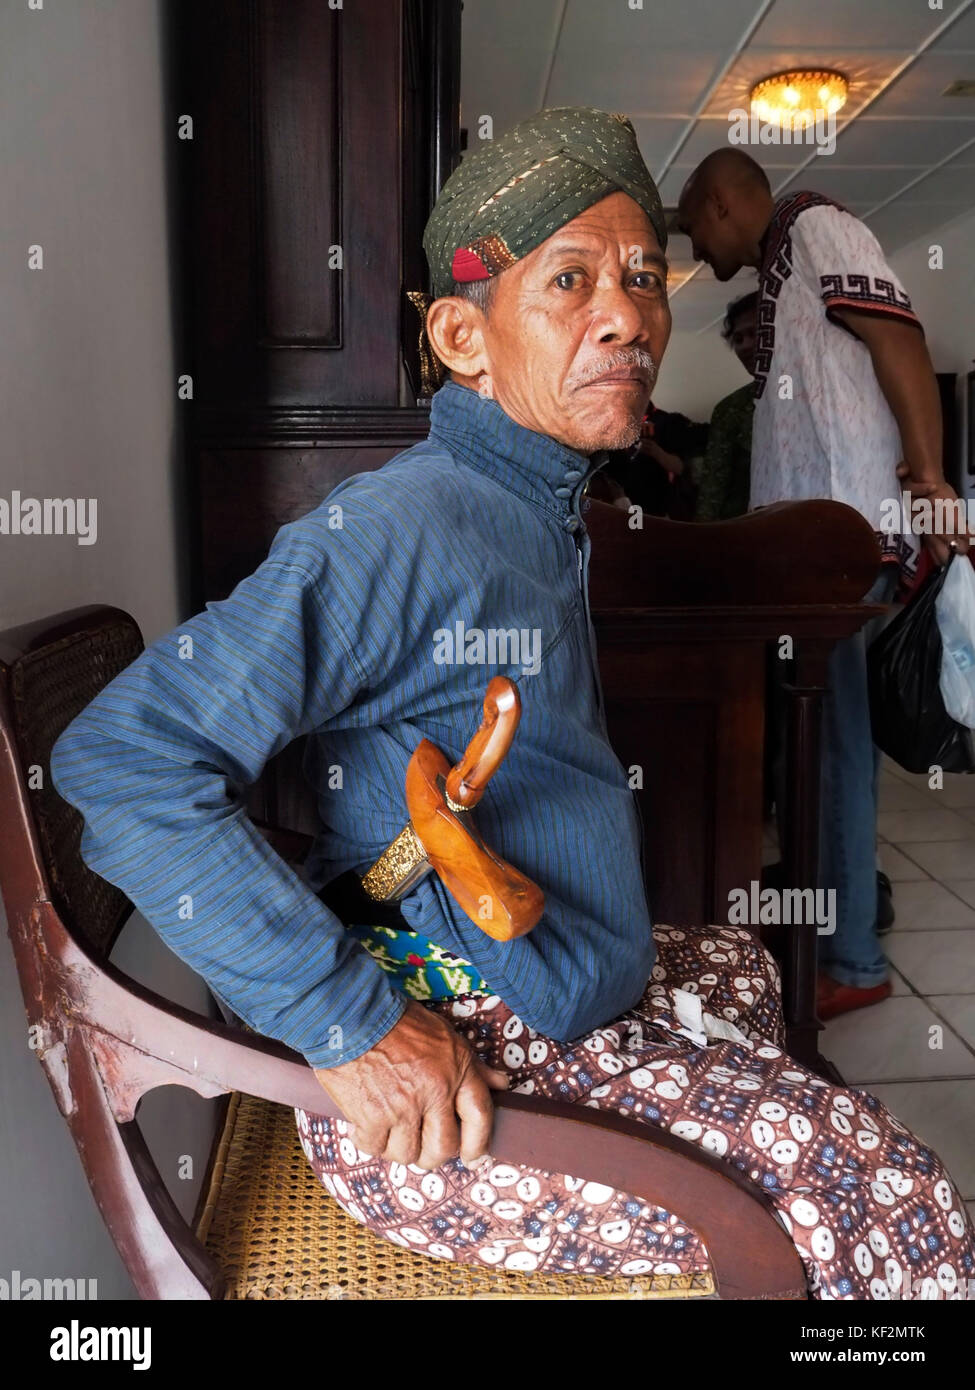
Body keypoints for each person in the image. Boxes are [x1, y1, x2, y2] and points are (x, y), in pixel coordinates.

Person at [50, 109, 974, 1298]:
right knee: (894, 1197)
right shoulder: (406, 525)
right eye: (573, 279)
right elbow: (119, 759)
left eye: (646, 278)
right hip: (451, 1101)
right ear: (462, 336)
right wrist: (354, 1026)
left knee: (742, 969)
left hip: (537, 1002)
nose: (631, 316)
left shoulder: (530, 503)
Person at [678, 149, 971, 1022]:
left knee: (835, 752)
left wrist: (929, 482)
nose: (695, 241)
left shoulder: (814, 225)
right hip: (808, 551)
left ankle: (852, 956)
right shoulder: (777, 262)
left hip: (846, 542)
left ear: (725, 201)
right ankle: (825, 922)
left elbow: (898, 339)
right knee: (811, 747)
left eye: (694, 223)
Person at [696, 290, 757, 521]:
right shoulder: (733, 408)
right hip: (746, 532)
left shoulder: (816, 398)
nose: (745, 346)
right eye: (739, 339)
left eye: (754, 333)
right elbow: (713, 488)